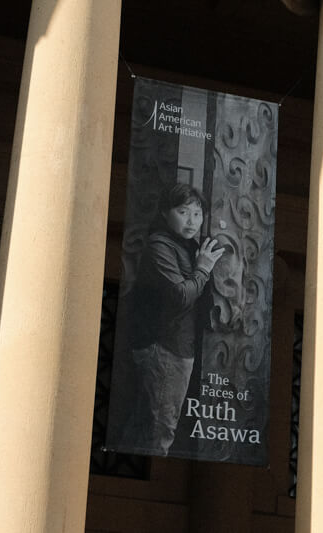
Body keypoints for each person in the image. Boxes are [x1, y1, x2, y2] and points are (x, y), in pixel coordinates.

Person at [121, 183, 224, 455]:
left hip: (178, 346)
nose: (193, 220)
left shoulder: (189, 245)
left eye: (198, 213)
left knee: (147, 423)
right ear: (166, 213)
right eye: (183, 211)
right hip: (165, 347)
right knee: (161, 430)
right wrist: (203, 269)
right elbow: (180, 295)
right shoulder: (160, 245)